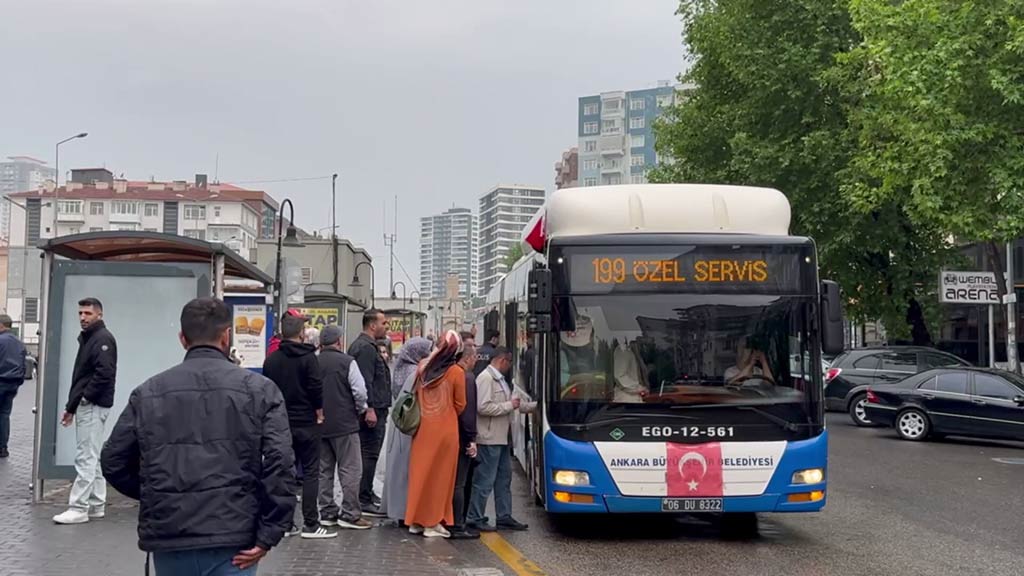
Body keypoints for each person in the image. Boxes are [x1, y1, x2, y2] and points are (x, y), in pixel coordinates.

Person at [101, 297, 296, 575]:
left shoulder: (149, 392)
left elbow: (113, 461)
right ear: (227, 335)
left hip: (171, 537)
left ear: (182, 338)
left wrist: (156, 492)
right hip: (234, 537)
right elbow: (281, 462)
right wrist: (270, 532)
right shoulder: (260, 390)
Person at [263, 314, 334, 539]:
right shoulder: (309, 358)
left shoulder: (272, 360)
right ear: (301, 334)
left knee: (285, 472)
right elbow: (316, 388)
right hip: (307, 422)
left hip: (281, 424)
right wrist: (320, 413)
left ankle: (285, 524)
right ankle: (311, 524)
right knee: (312, 471)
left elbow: (268, 392)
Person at [54, 297, 117, 525]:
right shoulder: (92, 338)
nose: (82, 317)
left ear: (99, 315)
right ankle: (96, 504)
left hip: (92, 405)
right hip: (90, 404)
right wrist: (71, 407)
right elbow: (85, 377)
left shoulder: (101, 339)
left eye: (88, 313)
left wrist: (84, 399)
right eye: (80, 313)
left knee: (86, 457)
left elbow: (104, 374)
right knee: (93, 456)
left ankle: (79, 507)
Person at [405, 331, 467, 538]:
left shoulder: (423, 367)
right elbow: (461, 404)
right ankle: (432, 522)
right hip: (446, 430)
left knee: (421, 475)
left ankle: (416, 520)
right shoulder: (456, 371)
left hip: (422, 428)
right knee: (441, 478)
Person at [316, 325, 375, 531]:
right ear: (339, 342)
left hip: (320, 424)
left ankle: (326, 512)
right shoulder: (347, 362)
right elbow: (360, 391)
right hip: (344, 424)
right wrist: (360, 410)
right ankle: (350, 513)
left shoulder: (314, 362)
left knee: (324, 470)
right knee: (350, 469)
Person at [467, 347, 530, 532]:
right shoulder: (486, 379)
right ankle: (475, 517)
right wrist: (509, 405)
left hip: (502, 438)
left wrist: (532, 407)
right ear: (503, 360)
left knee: (504, 479)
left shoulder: (500, 379)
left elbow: (511, 404)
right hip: (489, 438)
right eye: (509, 362)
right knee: (485, 480)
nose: (509, 366)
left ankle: (504, 516)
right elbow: (483, 407)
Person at [380, 337, 433, 524]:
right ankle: (406, 512)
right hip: (411, 423)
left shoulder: (402, 368)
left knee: (397, 469)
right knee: (407, 470)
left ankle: (396, 509)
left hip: (400, 422)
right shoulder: (415, 372)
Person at [347, 309, 390, 516]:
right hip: (372, 411)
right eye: (384, 322)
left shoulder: (366, 346)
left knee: (369, 452)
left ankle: (367, 492)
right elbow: (366, 380)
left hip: (375, 408)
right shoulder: (365, 348)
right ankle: (363, 497)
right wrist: (370, 408)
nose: (387, 326)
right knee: (369, 453)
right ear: (372, 325)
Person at [449, 332, 479, 540]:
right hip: (460, 438)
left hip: (451, 434)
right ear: (468, 358)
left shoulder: (450, 372)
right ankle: (457, 524)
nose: (477, 361)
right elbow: (467, 412)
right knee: (460, 482)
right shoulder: (466, 378)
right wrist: (471, 439)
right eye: (475, 357)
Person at [0, 314, 27, 459]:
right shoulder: (19, 342)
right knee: (4, 415)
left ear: (1, 325)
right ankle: (3, 447)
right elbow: (23, 364)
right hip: (12, 384)